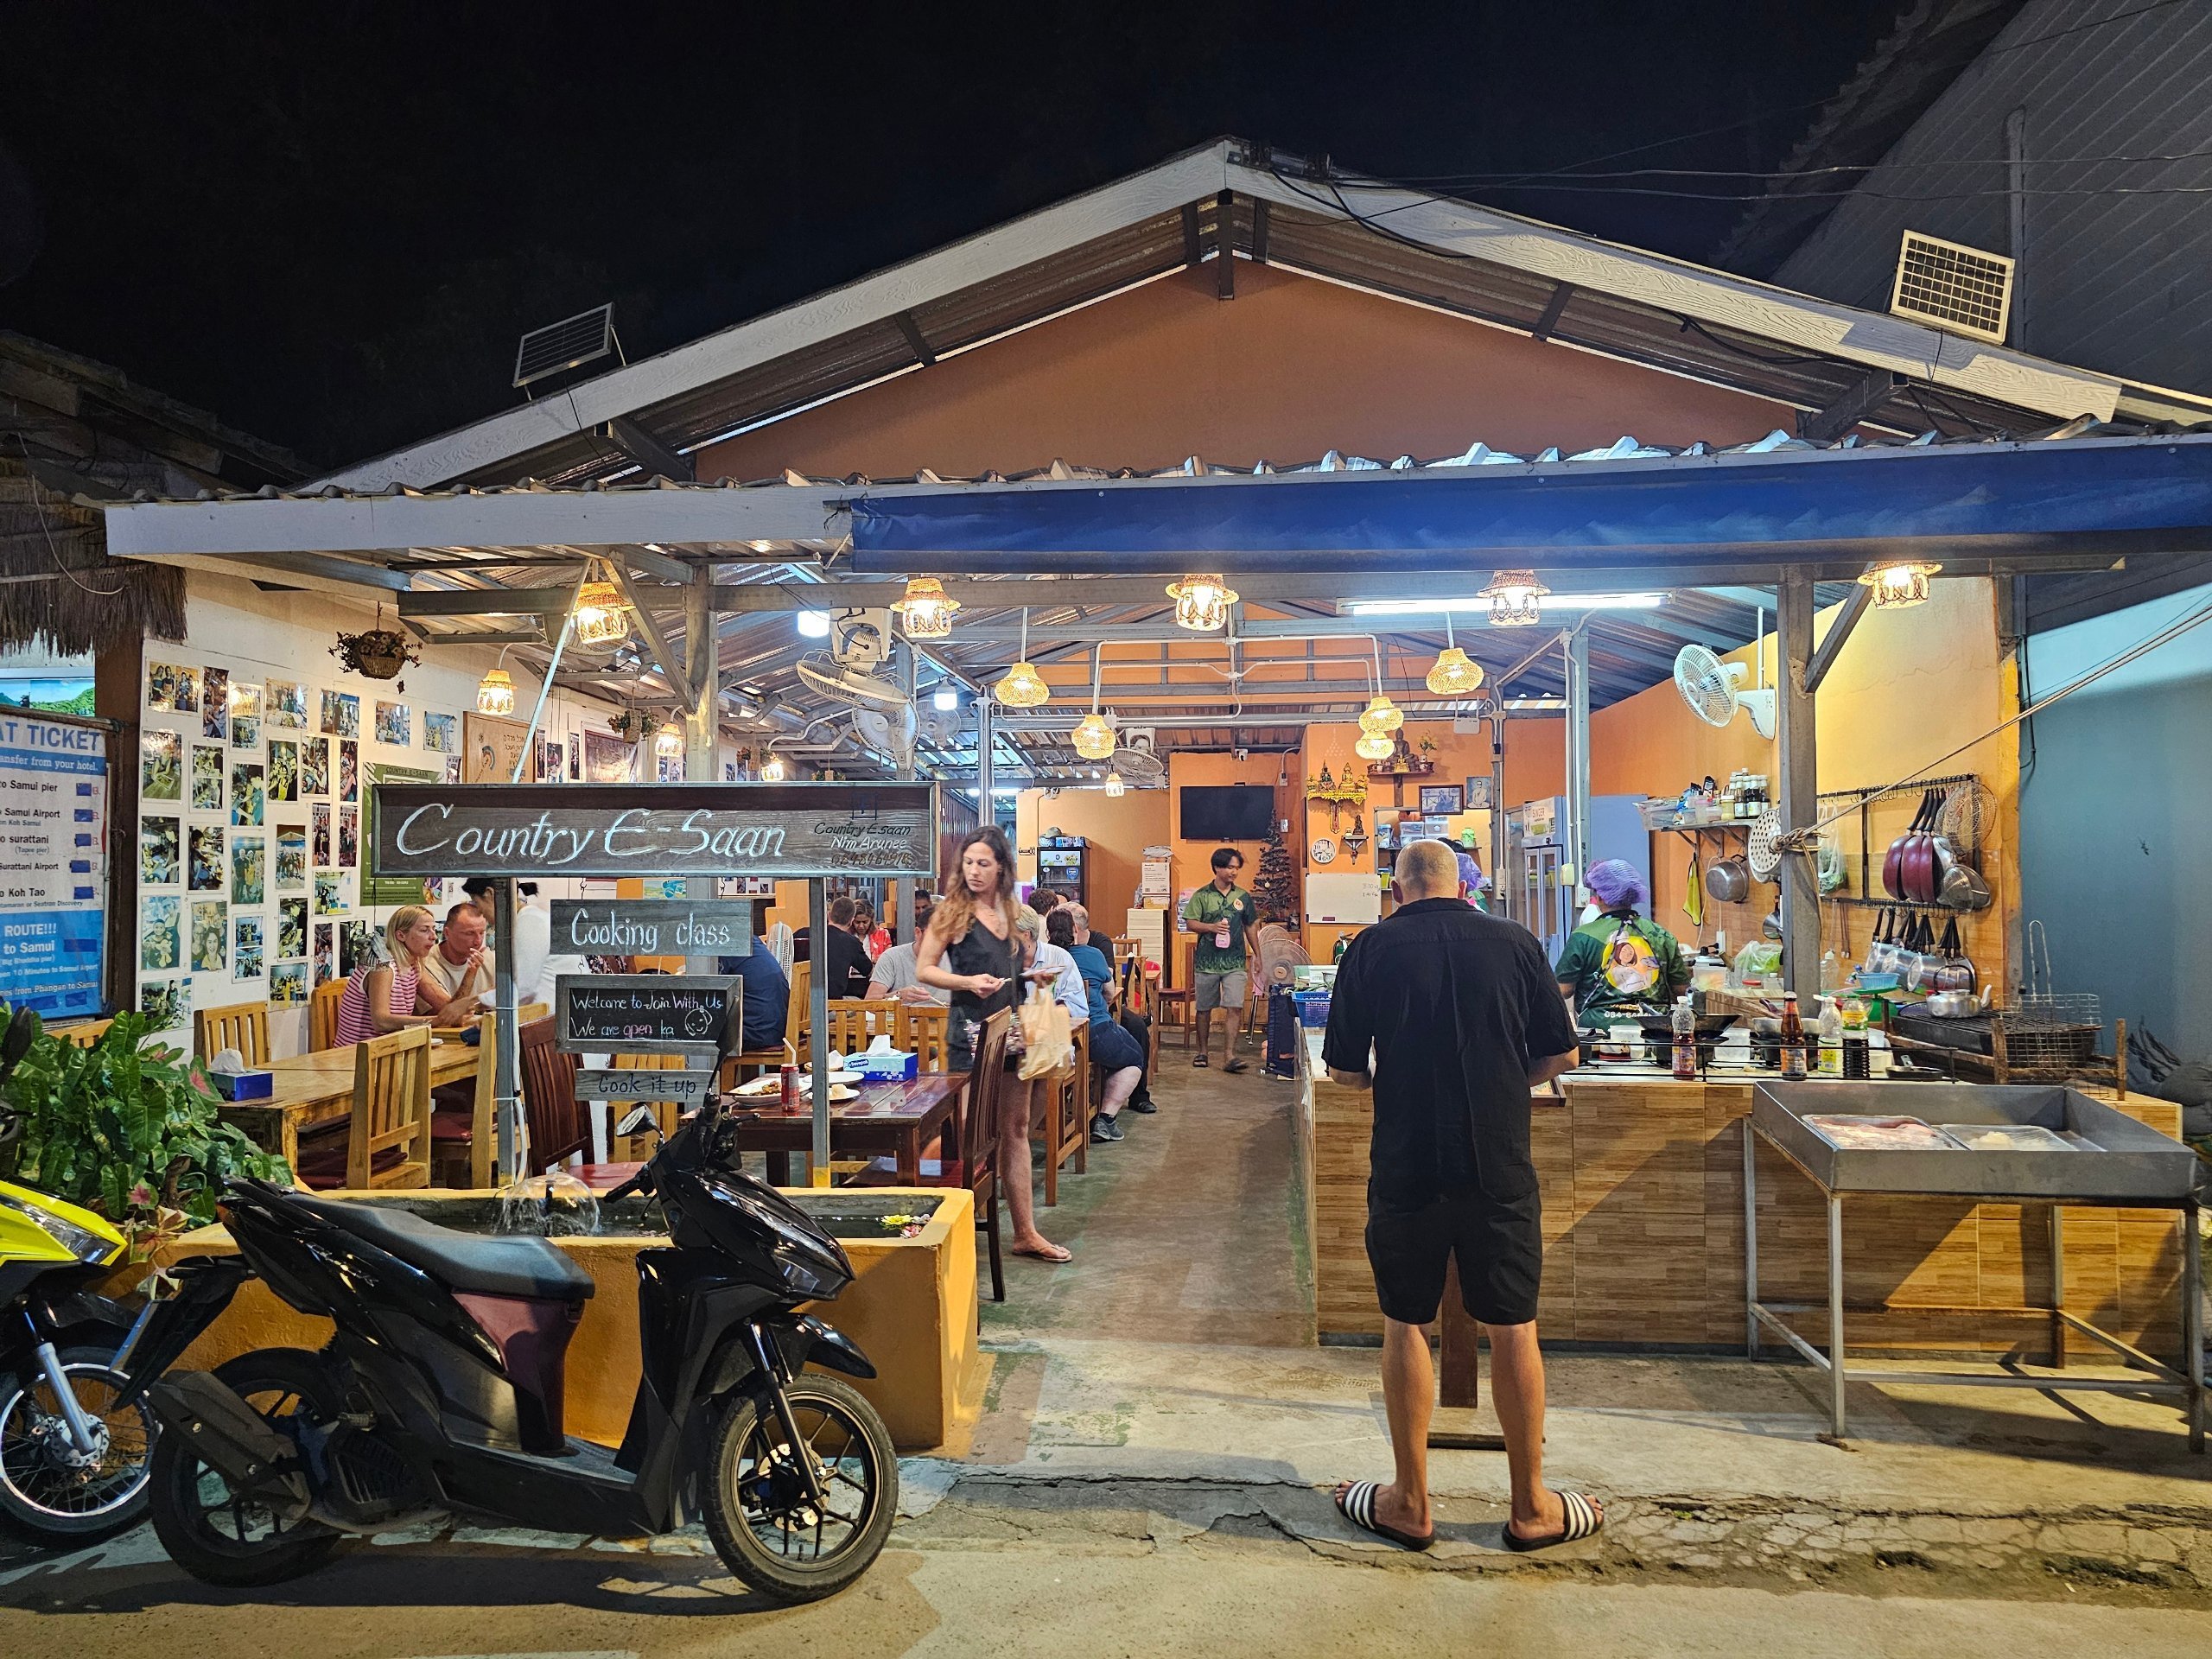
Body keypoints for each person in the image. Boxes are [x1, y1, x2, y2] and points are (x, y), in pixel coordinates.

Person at [1321, 839, 1598, 1553]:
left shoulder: (1369, 949)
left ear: (1398, 888)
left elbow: (1345, 1073)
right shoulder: (1516, 942)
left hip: (1407, 1159)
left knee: (1405, 1322)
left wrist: (1398, 1080)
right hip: (1497, 1159)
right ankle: (1532, 1507)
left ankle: (1409, 1503)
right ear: (1463, 885)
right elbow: (1563, 1053)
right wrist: (1501, 1081)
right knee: (1515, 1325)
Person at [918, 827, 1066, 1263]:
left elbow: (1006, 971)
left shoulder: (1012, 912)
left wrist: (1031, 978)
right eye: (968, 863)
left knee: (1016, 1129)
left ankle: (1025, 1233)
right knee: (964, 1131)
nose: (975, 871)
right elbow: (925, 968)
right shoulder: (952, 914)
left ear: (1001, 866)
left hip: (1012, 1030)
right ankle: (935, 1220)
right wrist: (966, 982)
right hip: (968, 1035)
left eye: (983, 863)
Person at [1554, 858, 1688, 1030]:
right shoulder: (1662, 936)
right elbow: (1681, 990)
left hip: (1600, 1033)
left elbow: (1563, 990)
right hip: (1653, 1033)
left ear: (1600, 897)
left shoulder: (1583, 937)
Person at [1049, 907, 1145, 1142]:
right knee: (1134, 1057)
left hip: (1052, 1038)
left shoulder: (1044, 956)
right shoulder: (1092, 955)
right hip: (1093, 1031)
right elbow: (1110, 993)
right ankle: (1106, 1118)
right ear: (1075, 930)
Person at [1063, 902, 1154, 1112]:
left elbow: (1108, 979)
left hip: (1104, 1005)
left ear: (1075, 928)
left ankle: (1139, 1095)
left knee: (1137, 1026)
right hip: (1085, 1014)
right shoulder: (1057, 949)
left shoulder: (1099, 942)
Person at [1182, 846, 1261, 1072]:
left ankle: (1229, 1055)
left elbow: (1250, 926)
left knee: (1235, 1005)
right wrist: (1211, 927)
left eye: (1236, 868)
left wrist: (1258, 955)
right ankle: (1202, 1052)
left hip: (1235, 962)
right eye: (1229, 867)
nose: (1234, 872)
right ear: (1217, 867)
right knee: (1204, 1008)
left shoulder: (1242, 896)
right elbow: (1190, 923)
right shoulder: (1202, 895)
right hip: (1207, 962)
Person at [334, 906, 438, 1046]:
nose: (434, 936)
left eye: (434, 929)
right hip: (357, 1053)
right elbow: (381, 1021)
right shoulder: (383, 967)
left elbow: (442, 1002)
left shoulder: (414, 964)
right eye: (425, 930)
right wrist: (435, 1021)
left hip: (388, 1048)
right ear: (401, 936)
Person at [717, 906, 791, 1051]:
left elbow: (712, 985)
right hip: (776, 1030)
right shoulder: (754, 943)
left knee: (701, 1029)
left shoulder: (729, 945)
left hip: (755, 1034)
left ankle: (696, 1065)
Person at [416, 901, 493, 1026]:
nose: (478, 941)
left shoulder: (490, 958)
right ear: (447, 933)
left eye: (482, 933)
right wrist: (471, 972)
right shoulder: (426, 964)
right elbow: (451, 1014)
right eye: (469, 933)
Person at [868, 898, 947, 1006]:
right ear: (918, 933)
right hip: (904, 1016)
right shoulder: (892, 958)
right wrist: (898, 996)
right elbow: (870, 1003)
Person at [820, 895, 874, 1000]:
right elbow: (868, 970)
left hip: (799, 1002)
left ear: (829, 915)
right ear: (851, 921)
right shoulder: (851, 942)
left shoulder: (800, 934)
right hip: (832, 1003)